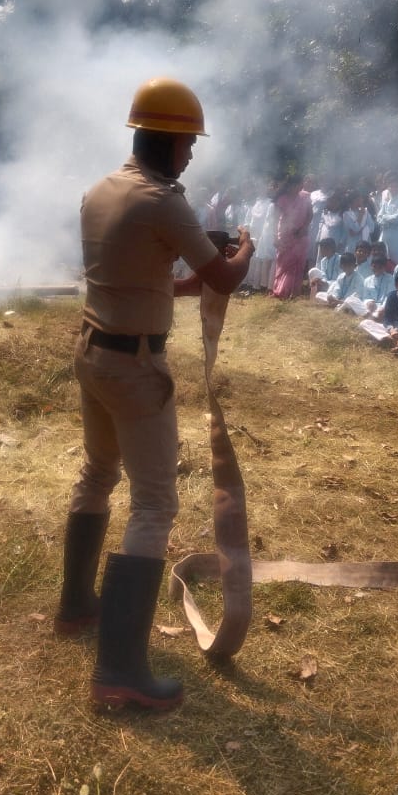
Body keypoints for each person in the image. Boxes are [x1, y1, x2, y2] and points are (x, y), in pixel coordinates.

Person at [54, 77, 255, 712]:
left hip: (94, 352)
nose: (192, 155)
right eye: (188, 144)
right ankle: (119, 672)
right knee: (154, 506)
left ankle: (78, 606)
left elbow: (148, 281)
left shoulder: (102, 190)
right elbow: (223, 275)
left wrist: (198, 274)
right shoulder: (164, 201)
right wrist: (243, 248)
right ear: (167, 141)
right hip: (138, 368)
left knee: (96, 473)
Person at [271, 175, 313, 299]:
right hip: (285, 234)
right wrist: (275, 238)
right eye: (295, 185)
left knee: (298, 264)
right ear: (289, 186)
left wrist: (303, 229)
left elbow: (310, 215)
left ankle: (294, 293)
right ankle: (281, 291)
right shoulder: (282, 199)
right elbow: (274, 219)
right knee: (284, 265)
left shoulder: (305, 196)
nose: (298, 188)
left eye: (300, 185)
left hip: (301, 235)